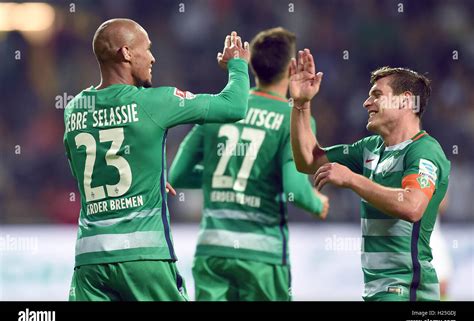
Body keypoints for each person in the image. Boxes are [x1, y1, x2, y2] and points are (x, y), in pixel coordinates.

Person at [63, 18, 250, 301]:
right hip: (144, 259)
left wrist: (146, 175)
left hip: (90, 262)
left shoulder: (75, 108)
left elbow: (85, 171)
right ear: (126, 53)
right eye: (146, 49)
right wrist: (237, 65)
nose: (152, 57)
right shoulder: (153, 102)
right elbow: (234, 106)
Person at [168, 28, 329, 301]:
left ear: (252, 64)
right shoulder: (294, 118)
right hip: (261, 254)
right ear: (291, 67)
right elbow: (295, 188)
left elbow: (178, 174)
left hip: (213, 250)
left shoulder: (221, 108)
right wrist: (317, 203)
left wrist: (224, 178)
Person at [289, 49, 450, 301]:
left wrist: (353, 179)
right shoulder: (370, 148)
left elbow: (412, 206)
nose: (366, 103)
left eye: (377, 95)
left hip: (405, 288)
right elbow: (308, 160)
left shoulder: (424, 150)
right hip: (378, 288)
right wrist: (301, 104)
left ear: (405, 101)